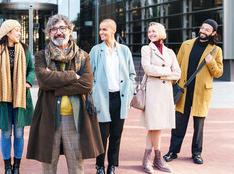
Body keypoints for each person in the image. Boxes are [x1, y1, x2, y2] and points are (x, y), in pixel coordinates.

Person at [27, 14, 103, 174]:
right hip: (49, 118)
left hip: (75, 119)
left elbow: (87, 84)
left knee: (76, 167)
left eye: (62, 28)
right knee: (48, 166)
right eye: (53, 29)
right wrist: (73, 76)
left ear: (70, 30)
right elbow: (43, 81)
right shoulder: (41, 56)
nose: (58, 32)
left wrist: (54, 85)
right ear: (49, 33)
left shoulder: (83, 56)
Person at [163, 19, 223, 165]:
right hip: (184, 91)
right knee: (178, 124)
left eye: (207, 30)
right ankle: (173, 151)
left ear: (213, 33)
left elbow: (219, 73)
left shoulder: (216, 50)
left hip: (201, 93)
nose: (203, 31)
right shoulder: (186, 45)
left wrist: (211, 62)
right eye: (202, 28)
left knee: (199, 126)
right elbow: (176, 67)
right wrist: (171, 86)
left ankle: (197, 153)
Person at [0, 20, 35, 174]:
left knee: (20, 133)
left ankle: (17, 167)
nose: (19, 33)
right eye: (17, 30)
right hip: (3, 99)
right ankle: (7, 166)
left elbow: (31, 70)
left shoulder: (24, 50)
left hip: (20, 97)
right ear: (7, 33)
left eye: (20, 30)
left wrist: (28, 81)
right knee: (6, 133)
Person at [89, 19, 136, 174]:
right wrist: (93, 93)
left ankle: (112, 165)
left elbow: (131, 74)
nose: (101, 32)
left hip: (119, 99)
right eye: (100, 29)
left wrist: (129, 92)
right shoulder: (96, 50)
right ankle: (100, 165)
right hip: (102, 98)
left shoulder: (124, 51)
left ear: (113, 30)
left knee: (116, 135)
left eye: (104, 29)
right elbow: (89, 75)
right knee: (102, 135)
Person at [140, 22, 181, 173]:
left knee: (158, 127)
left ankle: (154, 160)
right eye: (149, 31)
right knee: (153, 126)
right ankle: (150, 160)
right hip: (153, 92)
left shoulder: (170, 52)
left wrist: (164, 72)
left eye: (154, 31)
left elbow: (178, 73)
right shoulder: (146, 49)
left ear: (161, 32)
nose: (151, 34)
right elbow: (148, 69)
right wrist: (166, 70)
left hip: (165, 93)